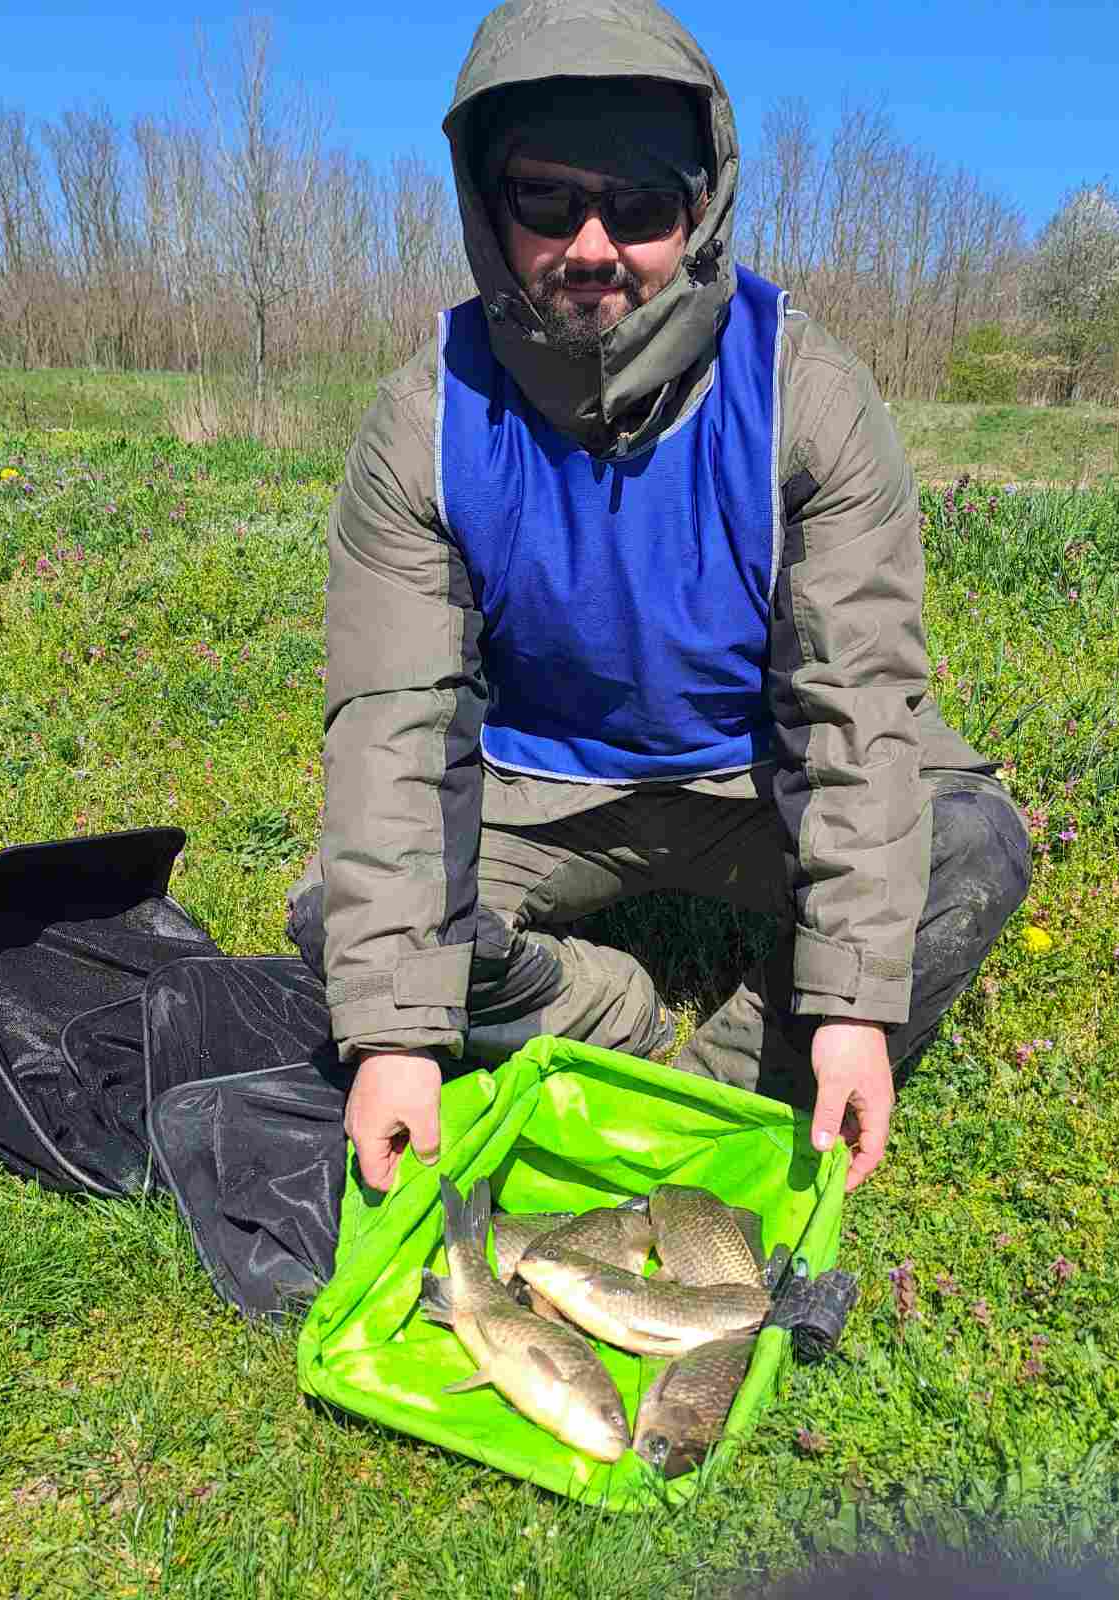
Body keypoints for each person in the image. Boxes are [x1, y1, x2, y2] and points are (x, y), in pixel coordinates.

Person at [286, 0, 1030, 1197]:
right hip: (540, 789)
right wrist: (393, 1037)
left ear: (699, 214)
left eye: (637, 208)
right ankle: (610, 1017)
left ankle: (730, 1097)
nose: (592, 247)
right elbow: (393, 724)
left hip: (750, 777)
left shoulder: (810, 396)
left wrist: (849, 1004)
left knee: (968, 845)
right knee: (345, 924)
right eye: (547, 202)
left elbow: (855, 705)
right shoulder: (424, 420)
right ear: (488, 203)